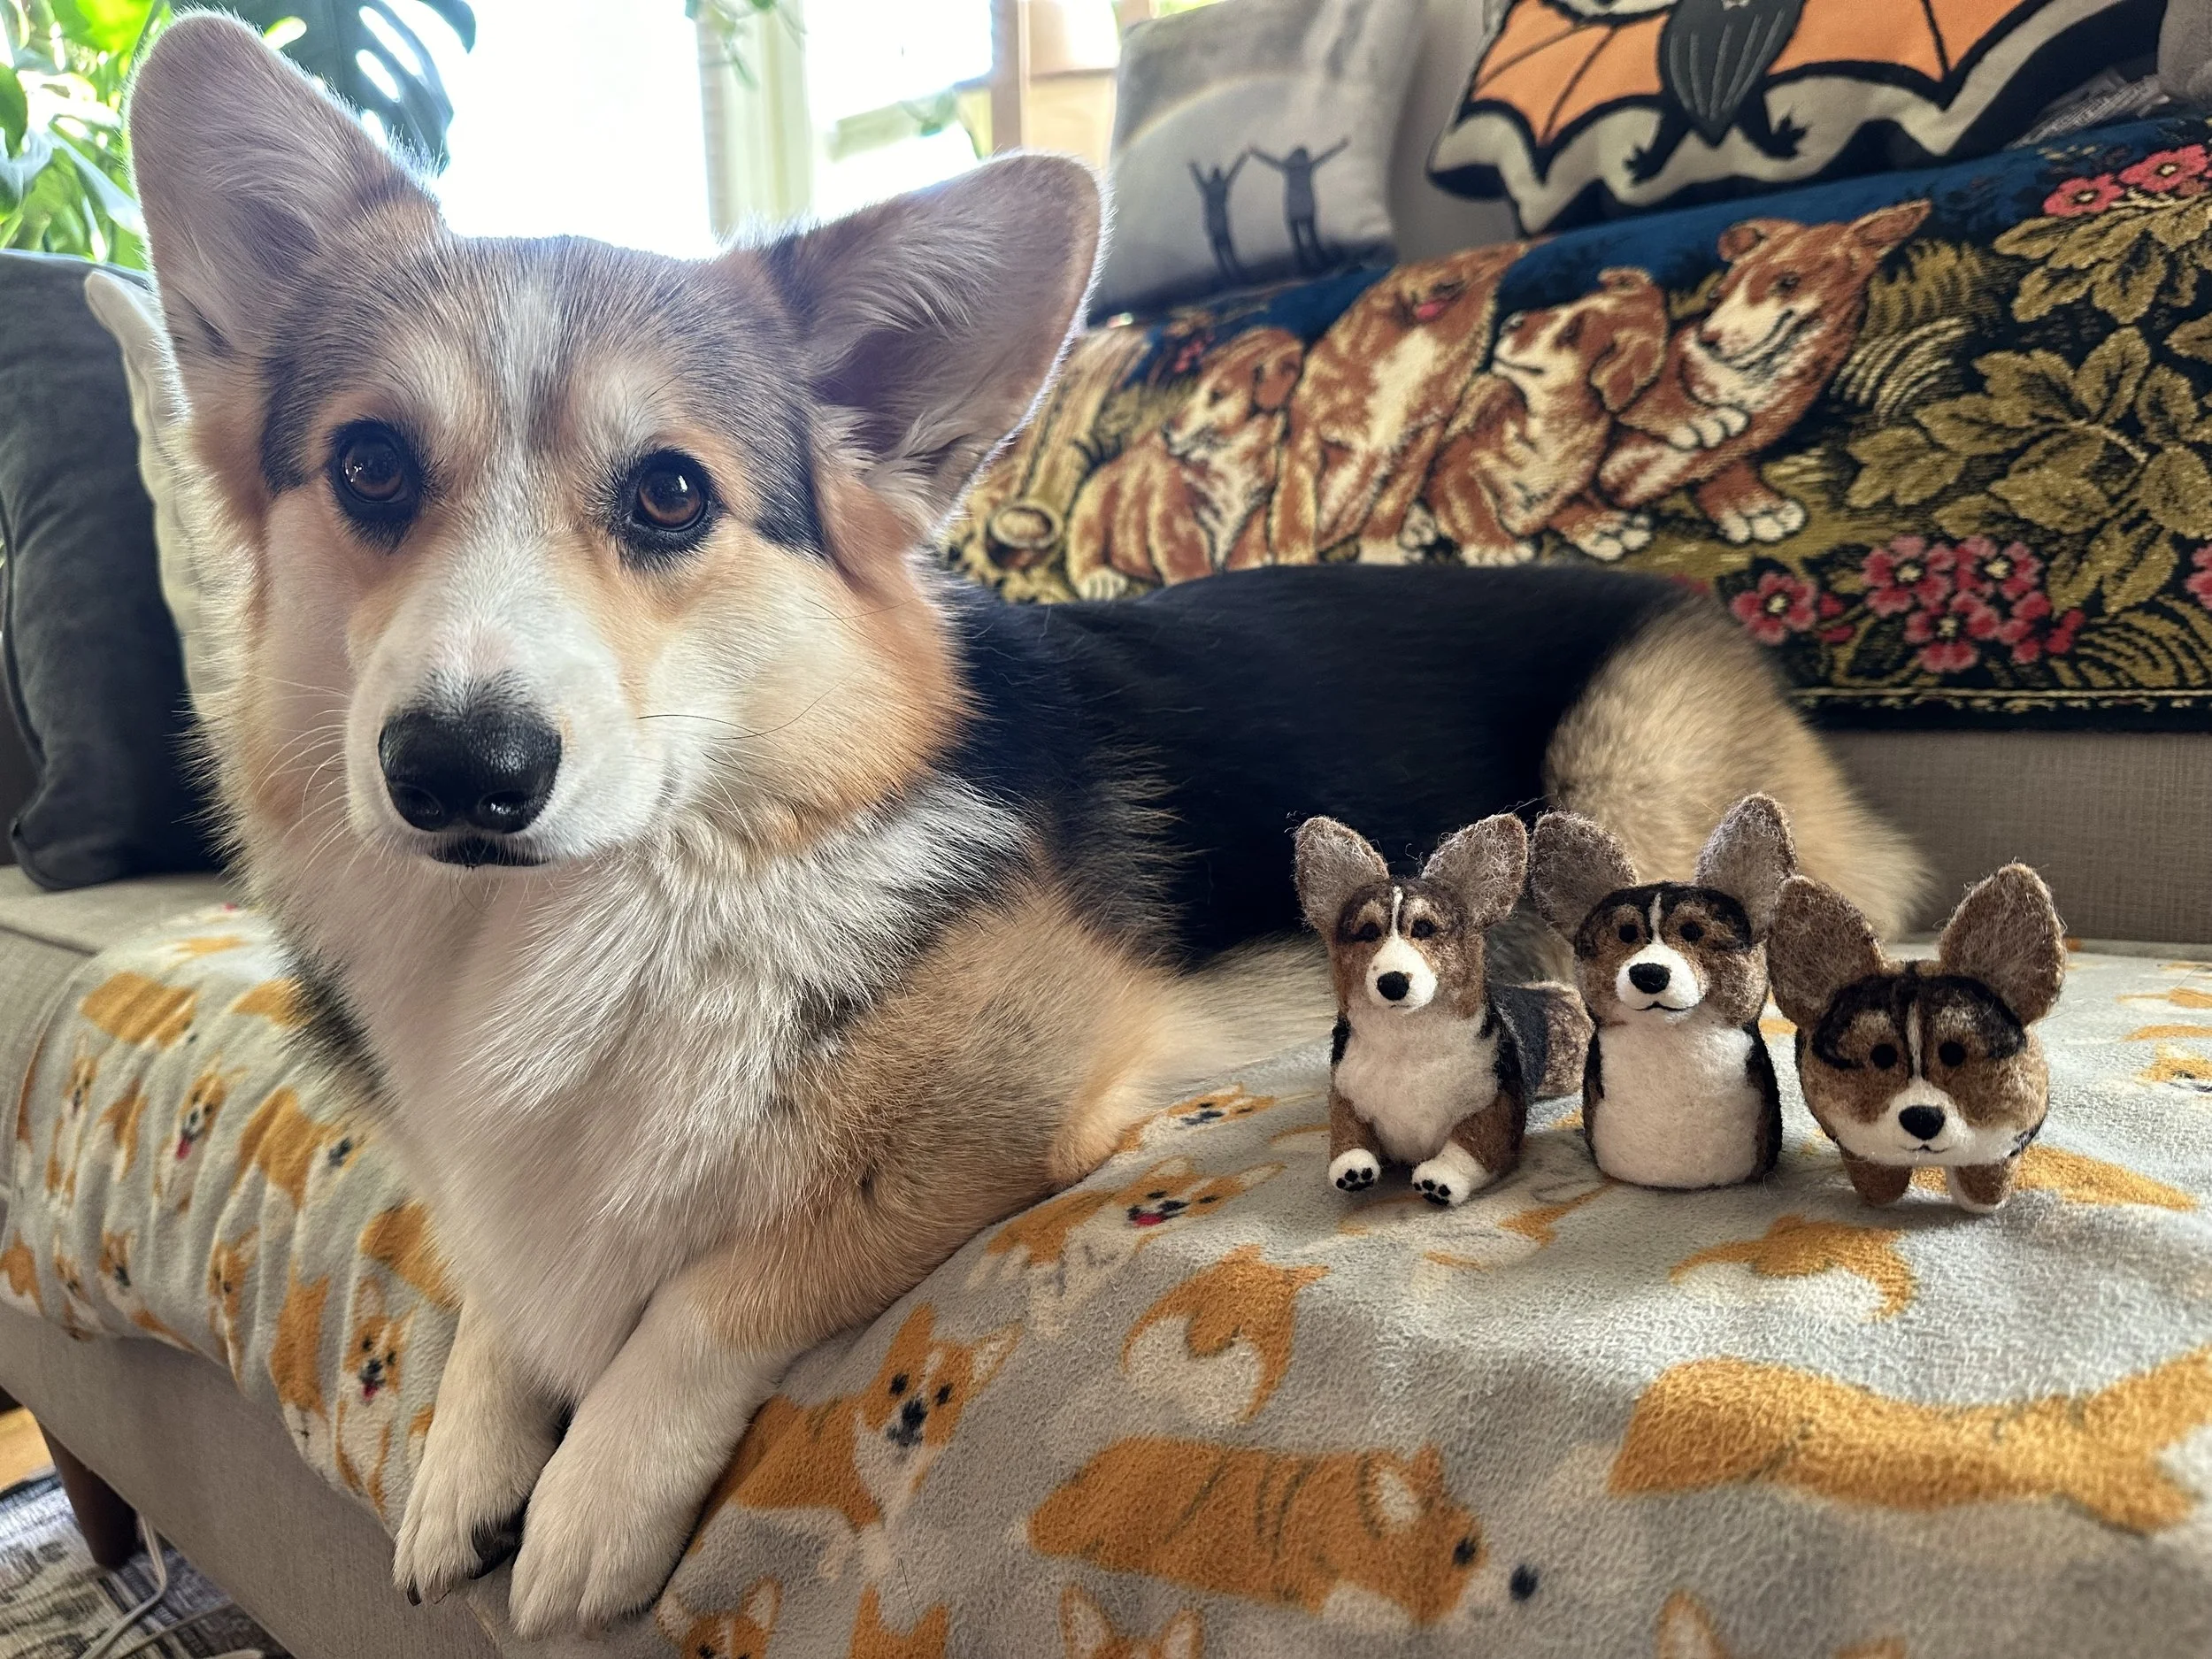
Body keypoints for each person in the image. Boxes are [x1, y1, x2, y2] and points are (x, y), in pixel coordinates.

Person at [1252, 138, 1348, 273]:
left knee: (1297, 243)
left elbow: (1270, 160)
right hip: (1308, 208)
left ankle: (1305, 268)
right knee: (1313, 238)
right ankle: (1323, 264)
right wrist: (1340, 145)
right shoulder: (1309, 165)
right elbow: (1326, 155)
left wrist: (1256, 152)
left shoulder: (1288, 166)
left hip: (1292, 210)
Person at [1189, 155, 1248, 286]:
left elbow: (1198, 179)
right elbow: (1234, 171)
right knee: (1230, 251)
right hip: (1223, 223)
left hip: (1211, 225)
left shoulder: (1207, 189)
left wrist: (1193, 166)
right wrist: (1242, 158)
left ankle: (1227, 278)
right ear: (1220, 175)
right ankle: (1239, 276)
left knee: (1219, 253)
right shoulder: (1224, 186)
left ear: (1211, 176)